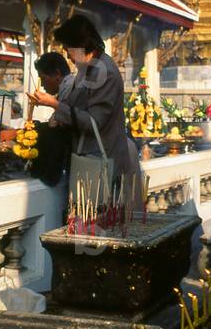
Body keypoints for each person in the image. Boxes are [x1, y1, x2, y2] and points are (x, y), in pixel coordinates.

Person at [30, 14, 142, 203]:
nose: (68, 56)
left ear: (80, 45)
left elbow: (93, 122)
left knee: (103, 223)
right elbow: (76, 111)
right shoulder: (88, 70)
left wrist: (54, 104)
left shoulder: (103, 71)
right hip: (88, 158)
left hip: (103, 159)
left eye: (68, 50)